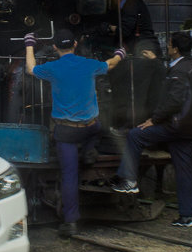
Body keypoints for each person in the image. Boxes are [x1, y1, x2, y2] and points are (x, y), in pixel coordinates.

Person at [25, 27, 126, 237]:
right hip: (90, 128)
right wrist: (120, 54)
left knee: (69, 175)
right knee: (99, 127)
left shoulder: (52, 68)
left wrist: (29, 45)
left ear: (54, 47)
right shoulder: (88, 65)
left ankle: (70, 223)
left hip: (67, 133)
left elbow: (30, 69)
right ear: (75, 45)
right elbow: (111, 64)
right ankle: (90, 151)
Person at [109, 31, 192, 228]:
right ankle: (187, 216)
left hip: (174, 126)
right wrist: (156, 61)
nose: (167, 47)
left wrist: (154, 119)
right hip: (189, 127)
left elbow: (174, 101)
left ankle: (129, 180)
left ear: (176, 49)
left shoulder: (179, 72)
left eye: (169, 45)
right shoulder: (191, 67)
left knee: (135, 135)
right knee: (184, 170)